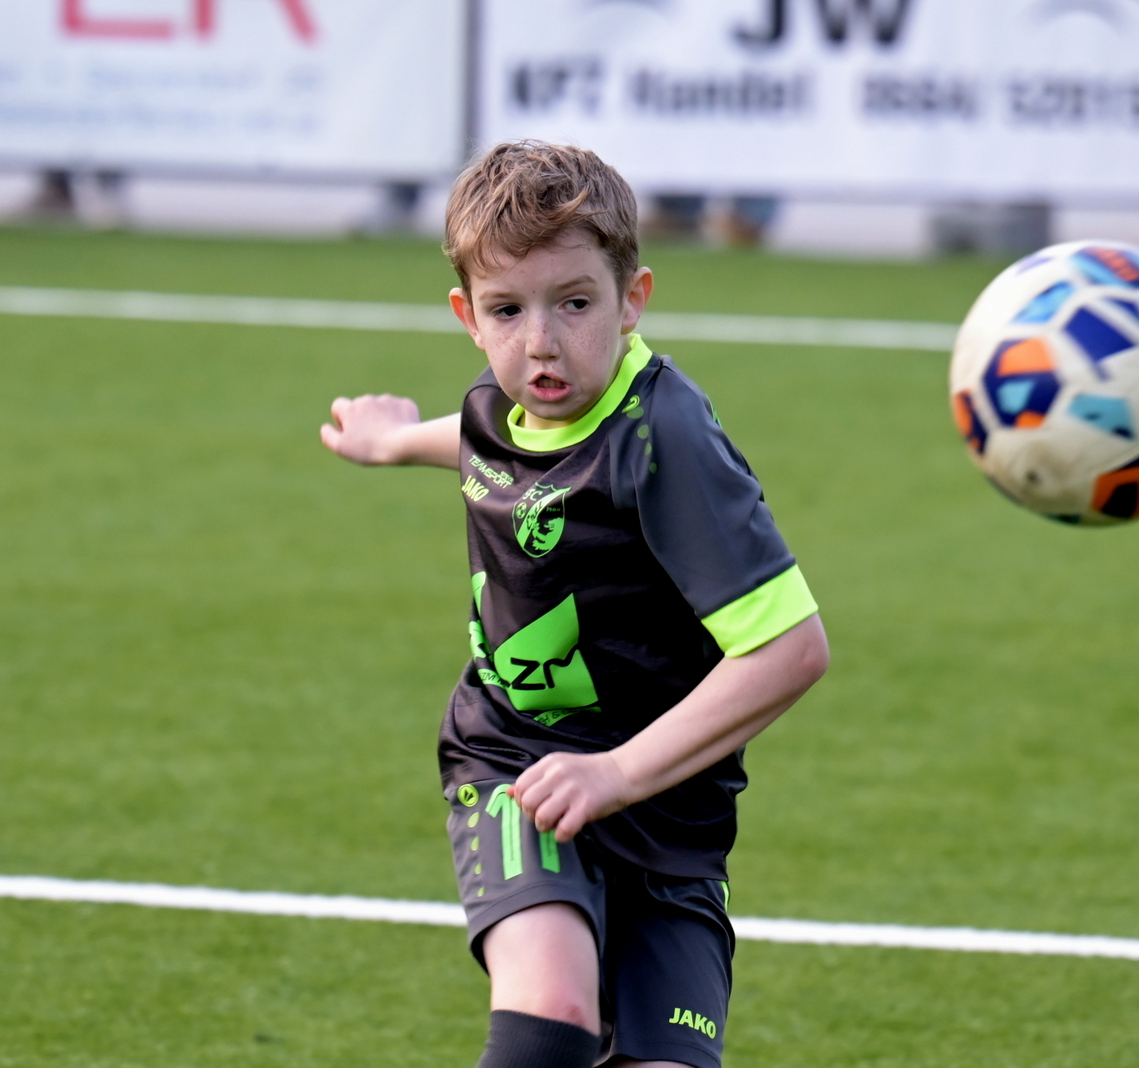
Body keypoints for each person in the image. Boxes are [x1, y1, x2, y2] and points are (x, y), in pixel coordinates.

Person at [319, 140, 829, 1068]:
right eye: (508, 311)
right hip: (517, 759)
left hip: (667, 810)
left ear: (633, 299)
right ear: (468, 317)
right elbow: (488, 437)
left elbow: (791, 649)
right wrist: (393, 441)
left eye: (576, 303)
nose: (542, 343)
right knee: (550, 1012)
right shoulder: (510, 399)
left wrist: (619, 774)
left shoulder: (662, 440)